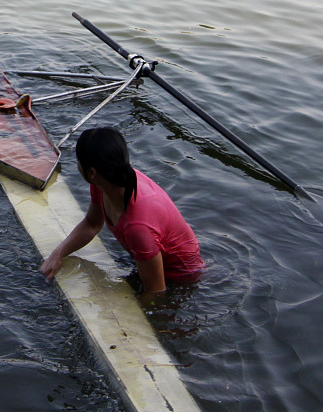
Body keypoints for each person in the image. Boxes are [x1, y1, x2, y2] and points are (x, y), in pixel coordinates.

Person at [39, 127, 203, 305]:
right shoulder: (105, 182)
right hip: (149, 260)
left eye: (78, 162)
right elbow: (92, 224)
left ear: (91, 172)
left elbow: (156, 291)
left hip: (181, 279)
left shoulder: (137, 226)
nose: (77, 166)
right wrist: (59, 253)